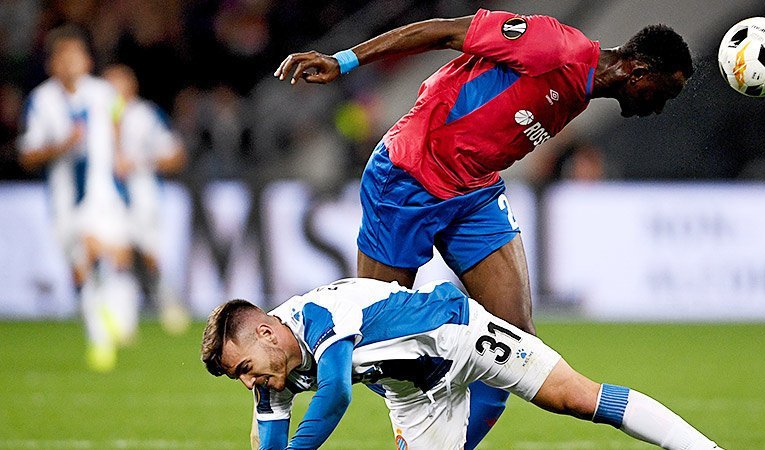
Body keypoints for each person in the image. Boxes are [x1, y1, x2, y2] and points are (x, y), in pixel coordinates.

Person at [273, 8, 693, 446]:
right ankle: (273, 370)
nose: (659, 107)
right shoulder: (553, 46)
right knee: (371, 335)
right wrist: (344, 60)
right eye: (663, 93)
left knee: (517, 346)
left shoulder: (582, 89)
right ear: (638, 72)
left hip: (475, 192)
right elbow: (442, 32)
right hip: (409, 177)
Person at [200, 278, 722, 449]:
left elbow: (336, 394)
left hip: (462, 333)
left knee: (576, 398)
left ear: (266, 331)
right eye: (237, 376)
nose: (249, 382)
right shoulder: (268, 374)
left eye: (244, 368)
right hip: (413, 396)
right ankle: (487, 401)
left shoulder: (318, 315)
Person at [18, 24, 139, 371]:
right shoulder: (41, 101)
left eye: (77, 55)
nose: (72, 62)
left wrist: (119, 154)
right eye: (64, 56)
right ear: (52, 63)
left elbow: (117, 121)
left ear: (86, 60)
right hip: (65, 198)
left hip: (105, 192)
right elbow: (27, 155)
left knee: (116, 255)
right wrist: (62, 146)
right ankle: (100, 335)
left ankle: (112, 320)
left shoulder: (103, 92)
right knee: (82, 262)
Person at [103, 63, 191, 335]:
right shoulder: (94, 117)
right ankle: (122, 318)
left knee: (150, 255)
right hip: (106, 198)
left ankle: (167, 300)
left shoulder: (146, 115)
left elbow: (175, 156)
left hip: (144, 197)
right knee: (118, 255)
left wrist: (139, 161)